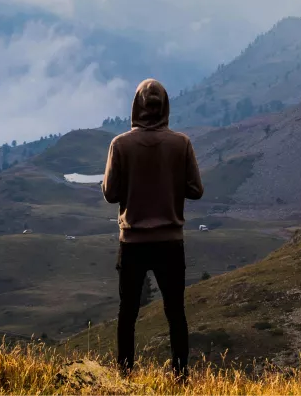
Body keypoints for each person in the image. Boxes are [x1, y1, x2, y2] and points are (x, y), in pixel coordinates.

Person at [102, 78, 204, 377]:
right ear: (165, 107)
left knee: (127, 313)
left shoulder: (120, 144)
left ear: (136, 105)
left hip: (132, 243)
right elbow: (196, 189)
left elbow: (110, 194)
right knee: (175, 312)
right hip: (170, 242)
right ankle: (181, 375)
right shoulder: (181, 143)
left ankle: (125, 374)